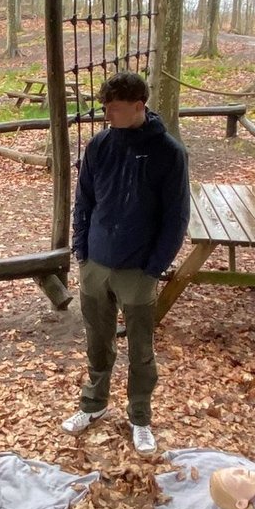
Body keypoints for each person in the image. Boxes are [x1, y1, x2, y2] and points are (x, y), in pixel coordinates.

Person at [62, 71, 190, 457]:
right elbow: (84, 201)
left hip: (139, 269)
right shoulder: (100, 145)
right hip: (96, 264)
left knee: (141, 349)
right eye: (105, 108)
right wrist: (82, 252)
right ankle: (93, 404)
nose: (107, 115)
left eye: (114, 108)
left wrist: (154, 267)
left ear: (138, 106)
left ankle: (140, 417)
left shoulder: (169, 152)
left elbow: (176, 218)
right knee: (97, 342)